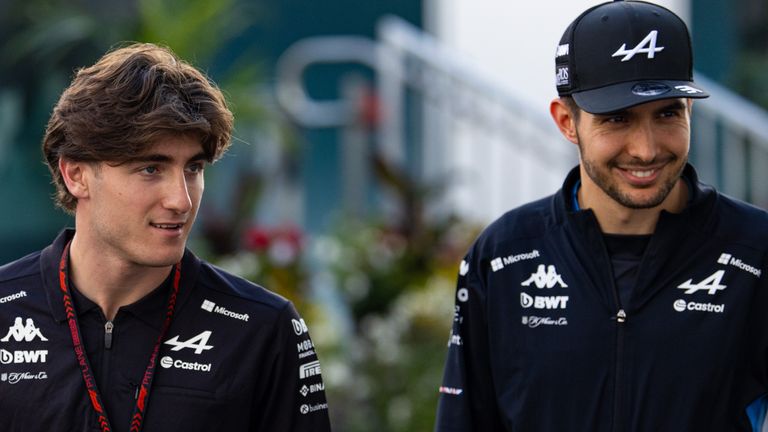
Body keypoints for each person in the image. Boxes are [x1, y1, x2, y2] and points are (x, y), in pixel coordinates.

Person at [435, 1, 768, 430]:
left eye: (667, 113)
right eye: (617, 119)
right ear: (566, 122)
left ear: (690, 112)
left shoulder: (755, 254)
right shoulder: (503, 257)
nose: (646, 149)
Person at [0, 43, 331, 431]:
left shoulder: (259, 329)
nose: (181, 200)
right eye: (151, 169)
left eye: (193, 168)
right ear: (76, 175)